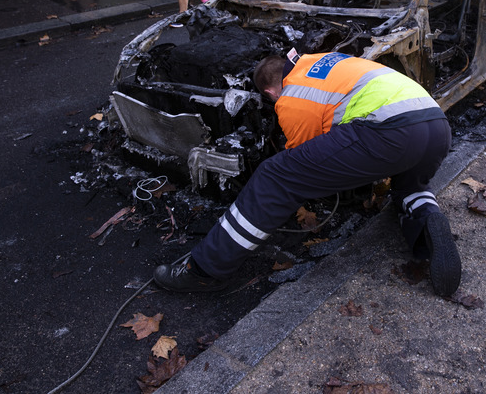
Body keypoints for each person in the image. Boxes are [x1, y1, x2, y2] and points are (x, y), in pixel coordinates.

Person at [152, 51, 463, 297]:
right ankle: (426, 218)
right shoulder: (322, 61)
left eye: (270, 99)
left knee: (275, 176)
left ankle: (205, 270)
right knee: (408, 184)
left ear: (271, 90)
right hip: (435, 126)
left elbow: (303, 164)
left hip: (387, 132)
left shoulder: (290, 99)